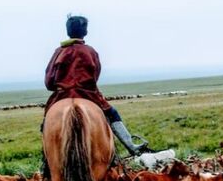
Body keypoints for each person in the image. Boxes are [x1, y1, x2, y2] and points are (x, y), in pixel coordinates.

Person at [42, 15, 148, 158]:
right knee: (113, 114)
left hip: (62, 95)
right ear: (85, 31)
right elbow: (95, 76)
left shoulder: (58, 52)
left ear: (68, 31)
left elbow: (49, 82)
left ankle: (47, 160)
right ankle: (131, 147)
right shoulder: (90, 51)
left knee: (46, 124)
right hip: (88, 94)